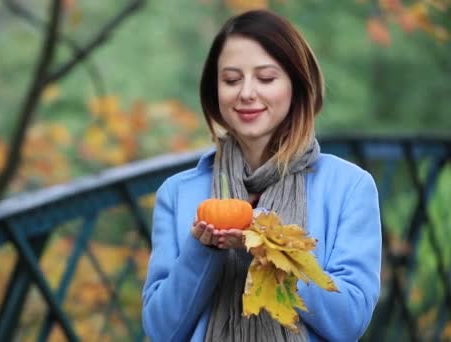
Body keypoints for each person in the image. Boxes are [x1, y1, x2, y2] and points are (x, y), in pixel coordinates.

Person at [141, 9, 382, 342]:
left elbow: (349, 322)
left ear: (297, 85)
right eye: (231, 80)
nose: (246, 93)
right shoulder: (179, 193)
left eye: (266, 78)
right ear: (215, 92)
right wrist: (202, 251)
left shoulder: (349, 188)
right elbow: (160, 330)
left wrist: (269, 250)